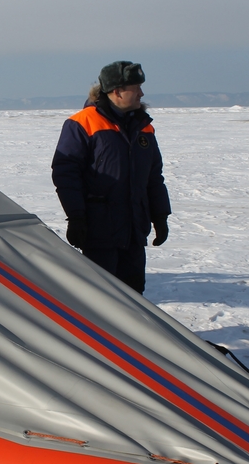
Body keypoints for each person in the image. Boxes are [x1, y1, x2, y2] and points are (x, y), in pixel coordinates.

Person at [51, 61, 171, 294]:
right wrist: (76, 217)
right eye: (135, 88)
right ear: (117, 91)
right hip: (99, 230)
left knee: (134, 295)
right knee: (102, 297)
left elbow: (154, 177)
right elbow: (66, 174)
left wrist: (160, 215)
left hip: (135, 230)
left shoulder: (143, 127)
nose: (141, 93)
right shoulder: (82, 123)